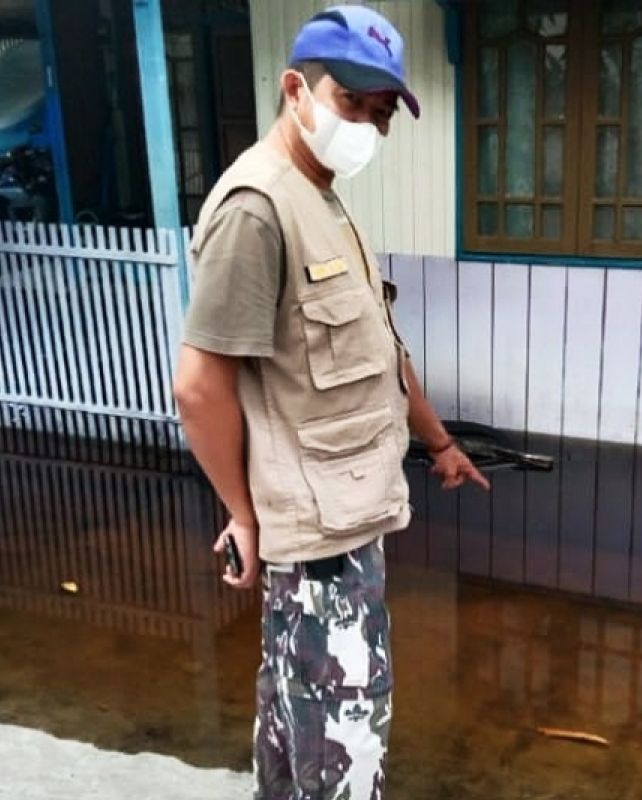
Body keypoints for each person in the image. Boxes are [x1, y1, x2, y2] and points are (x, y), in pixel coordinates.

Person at [172, 6, 489, 798]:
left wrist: (439, 442)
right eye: (352, 103)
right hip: (315, 547)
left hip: (343, 526)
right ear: (296, 89)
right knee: (344, 749)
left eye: (380, 116)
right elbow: (200, 385)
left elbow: (379, 350)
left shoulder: (322, 195)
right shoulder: (257, 208)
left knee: (294, 738)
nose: (365, 128)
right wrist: (243, 515)